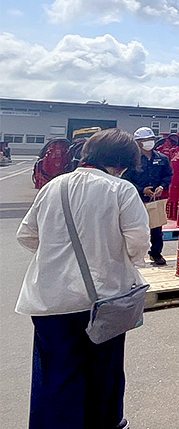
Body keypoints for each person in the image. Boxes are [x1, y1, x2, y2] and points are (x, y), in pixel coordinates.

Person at [16, 128, 149, 429]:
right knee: (104, 376)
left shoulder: (53, 187)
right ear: (122, 162)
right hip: (103, 302)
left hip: (50, 302)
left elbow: (26, 235)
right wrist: (109, 257)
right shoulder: (120, 189)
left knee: (55, 380)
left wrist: (56, 257)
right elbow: (138, 245)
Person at [126, 126, 172, 265]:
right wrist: (141, 189)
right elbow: (125, 180)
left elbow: (168, 175)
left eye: (151, 139)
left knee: (156, 228)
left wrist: (161, 187)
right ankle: (131, 256)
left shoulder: (162, 158)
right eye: (145, 140)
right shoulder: (131, 161)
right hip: (136, 199)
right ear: (138, 142)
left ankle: (156, 253)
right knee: (134, 228)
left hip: (154, 199)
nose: (149, 142)